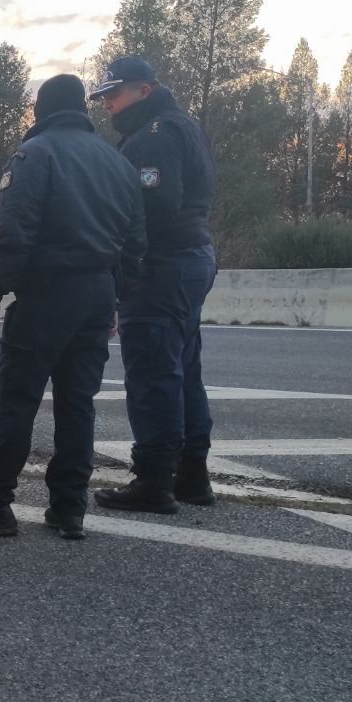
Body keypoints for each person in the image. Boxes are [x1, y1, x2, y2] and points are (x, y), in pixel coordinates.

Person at [0, 74, 146, 541]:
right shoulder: (117, 162)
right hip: (97, 292)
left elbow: (13, 227)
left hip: (49, 292)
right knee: (78, 405)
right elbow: (135, 241)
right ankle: (69, 508)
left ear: (41, 110)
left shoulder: (36, 154)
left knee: (16, 402)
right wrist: (116, 296)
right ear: (82, 109)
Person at [90, 57, 220, 514]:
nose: (108, 104)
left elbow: (150, 212)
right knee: (184, 368)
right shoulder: (184, 127)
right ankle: (191, 474)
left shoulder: (154, 137)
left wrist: (124, 269)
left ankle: (154, 481)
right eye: (104, 96)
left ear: (144, 90)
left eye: (115, 94)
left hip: (162, 264)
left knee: (151, 374)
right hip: (192, 256)